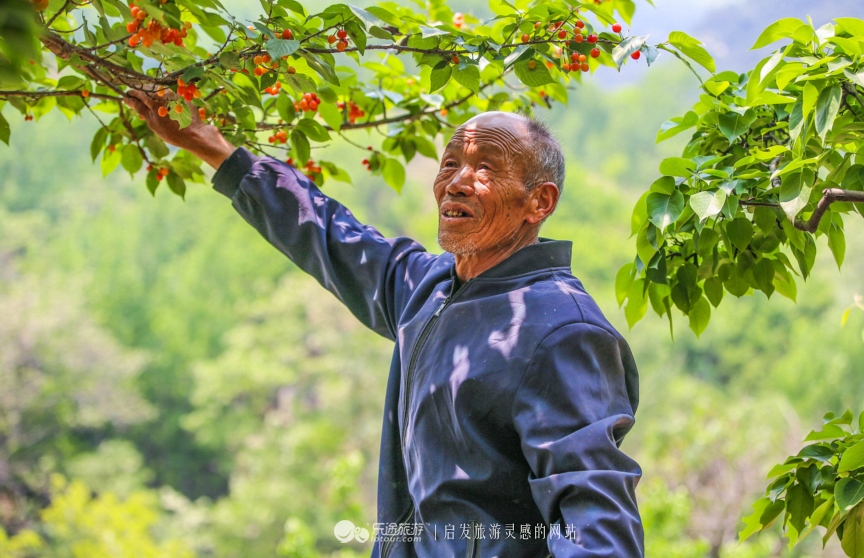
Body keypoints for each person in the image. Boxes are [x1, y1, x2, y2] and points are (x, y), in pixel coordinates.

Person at [126, 89, 644, 558]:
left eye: (487, 168)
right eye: (450, 163)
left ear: (540, 202)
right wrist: (217, 150)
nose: (458, 182)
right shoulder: (431, 288)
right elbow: (331, 237)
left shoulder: (562, 331)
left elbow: (598, 527)